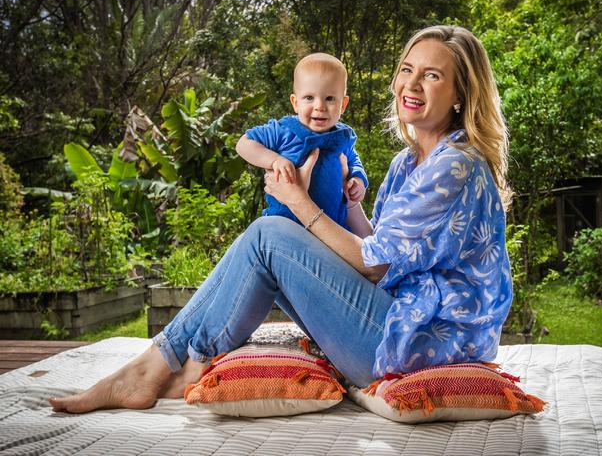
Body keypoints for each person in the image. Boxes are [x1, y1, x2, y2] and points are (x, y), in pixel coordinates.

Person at [49, 25, 513, 414]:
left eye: (432, 76)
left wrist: (299, 204)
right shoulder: (408, 162)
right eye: (407, 70)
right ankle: (172, 368)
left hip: (413, 341)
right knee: (266, 242)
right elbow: (383, 253)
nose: (411, 85)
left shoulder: (456, 165)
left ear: (459, 94)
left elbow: (373, 266)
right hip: (393, 318)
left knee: (271, 235)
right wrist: (352, 208)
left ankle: (158, 369)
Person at [236, 52, 368, 229]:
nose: (319, 106)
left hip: (330, 227)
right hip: (286, 224)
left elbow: (353, 161)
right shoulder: (284, 131)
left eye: (329, 98)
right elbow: (244, 144)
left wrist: (358, 179)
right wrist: (274, 159)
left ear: (343, 105)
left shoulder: (342, 137)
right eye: (309, 98)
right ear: (295, 102)